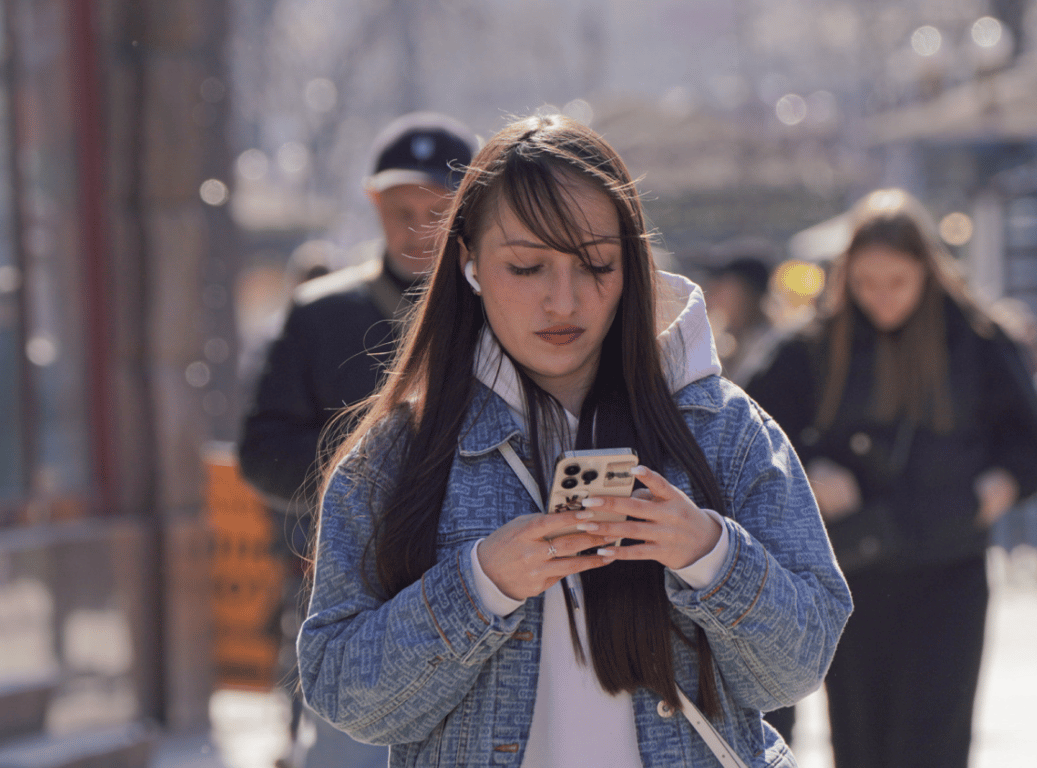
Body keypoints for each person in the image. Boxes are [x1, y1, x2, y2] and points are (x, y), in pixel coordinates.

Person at [297, 113, 852, 767]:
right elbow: (341, 691)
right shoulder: (399, 455)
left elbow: (799, 668)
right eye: (527, 267)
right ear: (469, 261)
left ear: (633, 264)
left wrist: (708, 553)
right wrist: (479, 585)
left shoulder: (719, 427)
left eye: (595, 264)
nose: (563, 301)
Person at [747, 189, 1037, 768]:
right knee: (862, 740)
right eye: (867, 282)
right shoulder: (815, 343)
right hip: (852, 572)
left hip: (948, 564)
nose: (882, 298)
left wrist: (1004, 484)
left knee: (937, 738)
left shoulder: (976, 338)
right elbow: (750, 427)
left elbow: (1033, 435)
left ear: (927, 271)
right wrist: (808, 468)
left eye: (897, 281)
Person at [238, 111, 476, 768]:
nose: (417, 227)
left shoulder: (506, 313)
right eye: (401, 207)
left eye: (438, 209)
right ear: (374, 203)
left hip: (481, 594)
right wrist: (370, 482)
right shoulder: (321, 313)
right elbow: (261, 451)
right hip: (353, 596)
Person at [702, 241, 787, 388]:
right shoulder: (726, 342)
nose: (713, 291)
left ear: (747, 292)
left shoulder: (773, 348)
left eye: (723, 284)